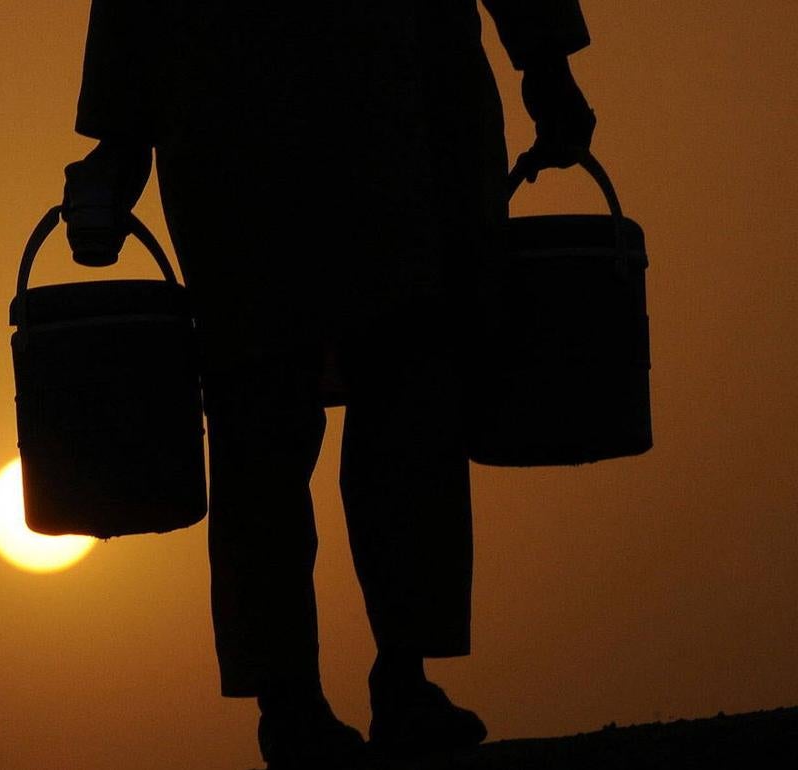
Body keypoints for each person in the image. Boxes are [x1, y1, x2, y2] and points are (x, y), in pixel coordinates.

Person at [61, 2, 597, 768]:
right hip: (256, 133)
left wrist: (546, 61)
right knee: (276, 424)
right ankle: (302, 698)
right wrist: (117, 144)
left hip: (387, 113)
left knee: (395, 400)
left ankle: (389, 680)